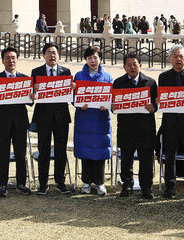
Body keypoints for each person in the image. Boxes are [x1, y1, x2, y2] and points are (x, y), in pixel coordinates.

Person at [157, 45, 184, 201]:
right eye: (175, 56)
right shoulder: (163, 77)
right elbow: (160, 99)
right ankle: (170, 188)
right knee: (169, 157)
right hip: (170, 123)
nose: (178, 59)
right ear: (169, 59)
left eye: (181, 56)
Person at [0, 47, 32, 197]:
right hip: (2, 122)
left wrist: (32, 97)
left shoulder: (25, 79)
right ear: (2, 61)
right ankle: (3, 185)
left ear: (17, 60)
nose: (11, 60)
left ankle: (21, 184)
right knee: (3, 155)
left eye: (13, 58)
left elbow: (30, 103)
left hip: (20, 122)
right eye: (7, 58)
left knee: (21, 155)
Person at [112, 54, 157, 199]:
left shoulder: (150, 82)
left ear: (140, 65)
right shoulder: (118, 83)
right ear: (124, 67)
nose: (132, 67)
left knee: (146, 160)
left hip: (146, 129)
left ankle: (146, 188)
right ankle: (127, 185)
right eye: (128, 64)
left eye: (135, 64)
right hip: (126, 128)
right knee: (126, 159)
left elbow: (157, 103)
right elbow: (113, 105)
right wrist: (113, 107)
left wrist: (154, 107)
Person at [30, 43, 73, 194]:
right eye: (49, 52)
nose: (52, 55)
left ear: (59, 55)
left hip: (61, 117)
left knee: (61, 150)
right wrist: (32, 92)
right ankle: (43, 183)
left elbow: (71, 98)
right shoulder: (36, 72)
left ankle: (60, 181)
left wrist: (72, 89)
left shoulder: (65, 72)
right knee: (44, 150)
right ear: (43, 56)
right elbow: (30, 98)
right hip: (43, 117)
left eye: (54, 52)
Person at [74, 46, 113, 196]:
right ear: (85, 60)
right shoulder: (78, 76)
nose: (93, 61)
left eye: (95, 57)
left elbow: (112, 97)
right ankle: (85, 182)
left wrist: (107, 105)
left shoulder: (108, 77)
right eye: (90, 58)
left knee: (100, 151)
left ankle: (100, 182)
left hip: (101, 119)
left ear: (100, 59)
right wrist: (78, 104)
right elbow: (73, 96)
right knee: (86, 150)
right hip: (85, 118)